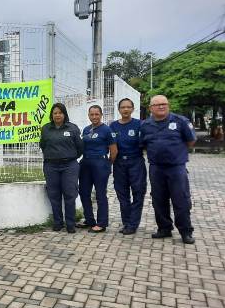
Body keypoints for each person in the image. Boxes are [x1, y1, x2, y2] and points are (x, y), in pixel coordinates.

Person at [140, 95, 196, 244]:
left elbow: (191, 140)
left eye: (163, 104)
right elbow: (143, 144)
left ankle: (185, 231)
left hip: (176, 168)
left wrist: (176, 154)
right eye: (157, 105)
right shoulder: (145, 125)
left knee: (181, 200)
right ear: (151, 108)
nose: (161, 107)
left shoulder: (180, 121)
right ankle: (164, 228)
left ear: (168, 105)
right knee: (158, 200)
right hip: (156, 168)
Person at [39, 103, 84, 233]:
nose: (57, 115)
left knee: (70, 194)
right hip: (51, 166)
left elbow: (80, 147)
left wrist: (69, 156)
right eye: (55, 113)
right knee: (54, 195)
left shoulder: (72, 128)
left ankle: (70, 224)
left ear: (64, 114)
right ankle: (58, 223)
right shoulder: (46, 129)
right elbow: (43, 145)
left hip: (69, 166)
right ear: (51, 115)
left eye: (60, 112)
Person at [77, 105, 117, 233]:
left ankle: (101, 223)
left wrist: (107, 164)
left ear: (101, 115)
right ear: (88, 115)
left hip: (100, 163)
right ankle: (89, 220)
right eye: (91, 114)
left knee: (100, 194)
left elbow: (114, 151)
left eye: (96, 114)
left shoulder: (106, 130)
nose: (94, 117)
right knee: (84, 192)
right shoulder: (86, 129)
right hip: (86, 163)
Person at [110, 98, 146, 235]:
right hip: (119, 163)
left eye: (128, 107)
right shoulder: (113, 126)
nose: (125, 109)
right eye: (123, 107)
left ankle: (133, 224)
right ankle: (126, 222)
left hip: (136, 162)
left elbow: (146, 142)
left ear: (132, 109)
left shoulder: (139, 125)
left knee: (138, 193)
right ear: (119, 109)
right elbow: (110, 145)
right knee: (122, 194)